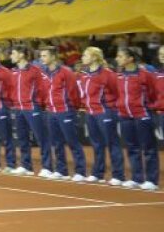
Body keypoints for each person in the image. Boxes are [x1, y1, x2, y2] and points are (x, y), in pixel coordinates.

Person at [112, 47, 158, 191]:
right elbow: (117, 93)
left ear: (130, 58)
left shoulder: (145, 75)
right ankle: (137, 178)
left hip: (142, 115)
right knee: (132, 148)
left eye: (120, 56)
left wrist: (149, 106)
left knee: (148, 149)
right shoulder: (119, 75)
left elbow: (155, 92)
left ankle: (151, 180)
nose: (117, 59)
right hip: (125, 116)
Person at [76, 46, 123, 185]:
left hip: (105, 112)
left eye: (85, 55)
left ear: (95, 57)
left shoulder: (108, 74)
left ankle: (118, 175)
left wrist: (111, 108)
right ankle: (98, 173)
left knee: (112, 143)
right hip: (90, 113)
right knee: (97, 144)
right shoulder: (84, 74)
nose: (82, 57)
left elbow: (117, 92)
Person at [38, 46, 86, 181]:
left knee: (73, 142)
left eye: (44, 56)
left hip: (65, 111)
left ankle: (80, 172)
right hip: (51, 112)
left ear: (53, 56)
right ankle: (61, 170)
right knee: (57, 143)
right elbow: (44, 91)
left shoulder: (66, 72)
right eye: (41, 56)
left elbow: (74, 92)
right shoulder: (44, 73)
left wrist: (73, 108)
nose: (42, 59)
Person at [8, 46, 47, 176]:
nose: (10, 56)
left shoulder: (35, 70)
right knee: (22, 139)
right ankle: (26, 166)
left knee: (41, 138)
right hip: (18, 109)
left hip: (32, 108)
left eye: (13, 53)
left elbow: (43, 88)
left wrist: (37, 103)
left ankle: (47, 167)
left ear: (21, 55)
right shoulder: (13, 71)